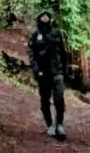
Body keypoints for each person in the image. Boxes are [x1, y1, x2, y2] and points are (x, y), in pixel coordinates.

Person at [27, 11, 68, 140]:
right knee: (45, 100)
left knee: (59, 99)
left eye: (47, 17)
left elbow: (63, 52)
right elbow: (32, 54)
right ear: (39, 18)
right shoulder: (35, 35)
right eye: (43, 17)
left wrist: (64, 70)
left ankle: (59, 124)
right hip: (43, 73)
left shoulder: (56, 33)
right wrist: (36, 70)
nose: (45, 18)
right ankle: (49, 125)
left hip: (57, 72)